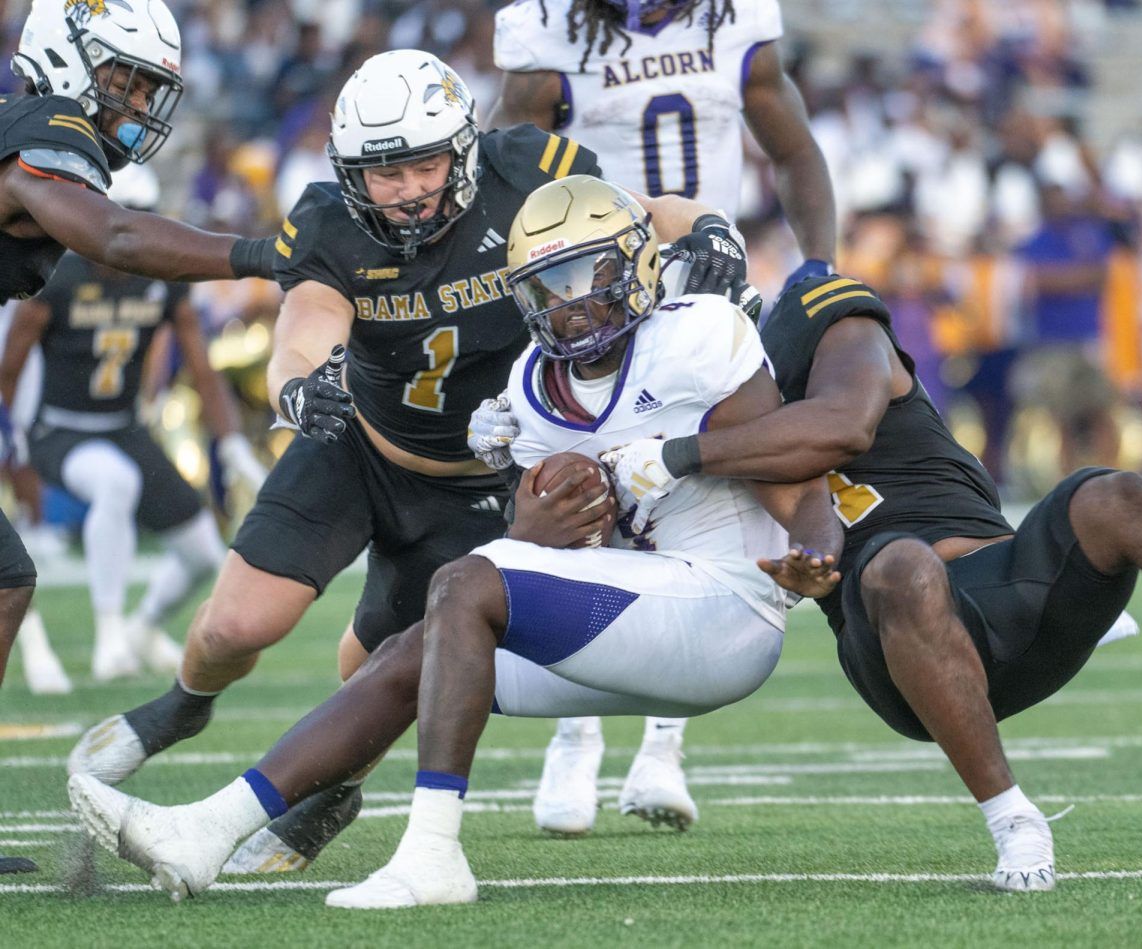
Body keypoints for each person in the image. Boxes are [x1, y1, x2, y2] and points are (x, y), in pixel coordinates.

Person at [66, 50, 753, 877]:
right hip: (363, 445)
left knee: (374, 673)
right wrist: (297, 390)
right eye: (382, 172)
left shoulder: (528, 168)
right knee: (232, 626)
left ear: (463, 148)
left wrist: (709, 222)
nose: (407, 188)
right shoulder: (328, 219)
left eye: (424, 162)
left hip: (481, 480)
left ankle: (329, 795)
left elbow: (640, 216)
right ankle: (184, 705)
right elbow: (304, 324)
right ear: (351, 172)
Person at [590, 272, 1142, 891]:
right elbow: (810, 519)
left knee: (1114, 494)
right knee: (902, 563)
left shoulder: (826, 329)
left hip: (1014, 594)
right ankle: (1014, 821)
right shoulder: (703, 420)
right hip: (896, 639)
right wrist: (812, 569)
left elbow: (842, 425)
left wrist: (673, 456)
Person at [489, 0, 839, 836]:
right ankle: (573, 737)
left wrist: (820, 262)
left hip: (703, 280)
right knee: (577, 493)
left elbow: (792, 147)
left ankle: (663, 746)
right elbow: (508, 166)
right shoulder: (547, 29)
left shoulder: (736, 21)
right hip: (581, 287)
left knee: (712, 504)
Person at [0, 0, 274, 876]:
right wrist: (265, 254)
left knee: (7, 579)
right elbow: (113, 237)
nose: (135, 102)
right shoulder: (43, 124)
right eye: (124, 79)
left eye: (145, 85)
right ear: (67, 57)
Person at [0, 165, 267, 683]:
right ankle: (110, 636)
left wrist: (233, 444)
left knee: (201, 552)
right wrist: (11, 444)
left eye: (144, 217)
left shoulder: (161, 284)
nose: (138, 230)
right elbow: (9, 372)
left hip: (124, 426)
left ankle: (142, 628)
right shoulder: (55, 278)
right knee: (114, 483)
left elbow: (202, 368)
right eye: (128, 218)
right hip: (59, 428)